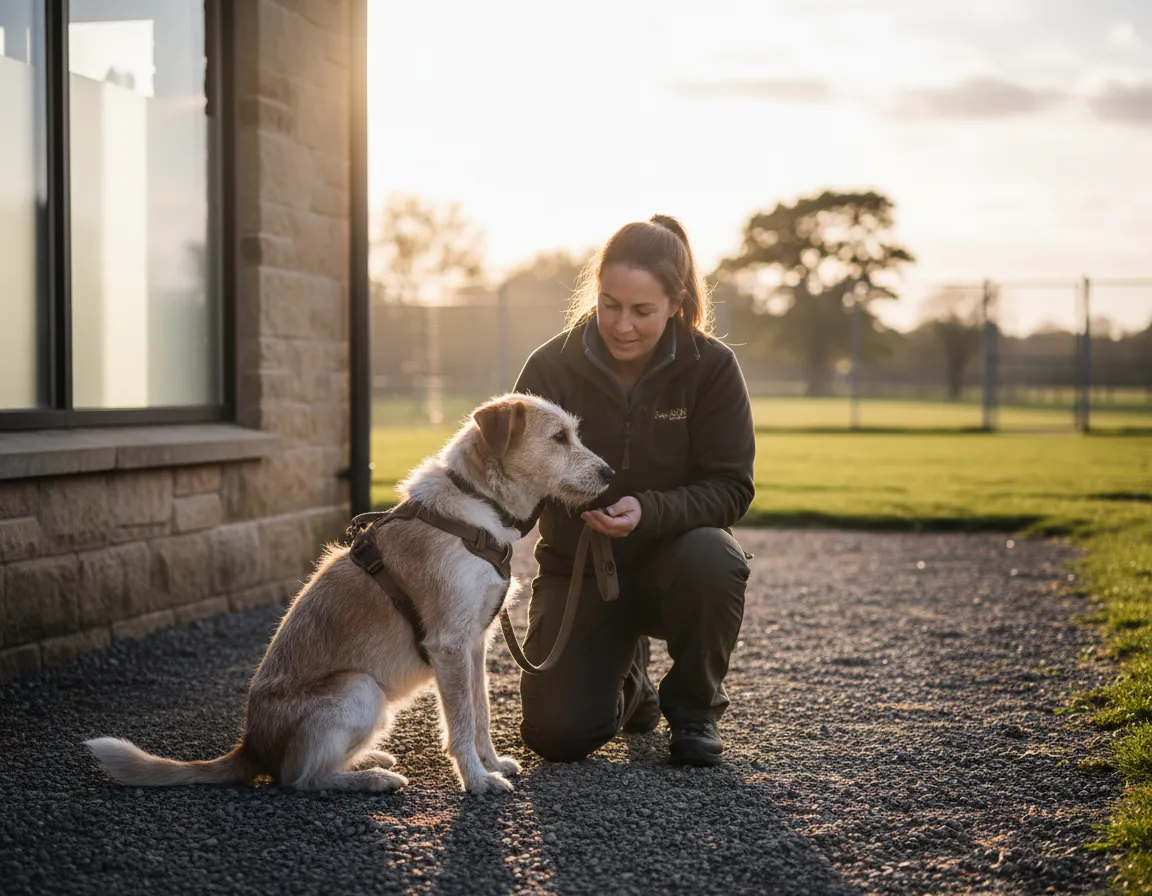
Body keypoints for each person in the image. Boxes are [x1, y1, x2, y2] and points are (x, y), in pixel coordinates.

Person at [512, 214, 755, 767]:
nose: (622, 324)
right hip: (578, 574)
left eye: (642, 310)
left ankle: (694, 711)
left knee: (715, 556)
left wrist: (648, 511)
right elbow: (514, 473)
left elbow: (731, 487)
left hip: (675, 566)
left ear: (676, 302)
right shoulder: (550, 366)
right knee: (557, 737)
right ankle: (631, 686)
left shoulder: (713, 367)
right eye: (609, 304)